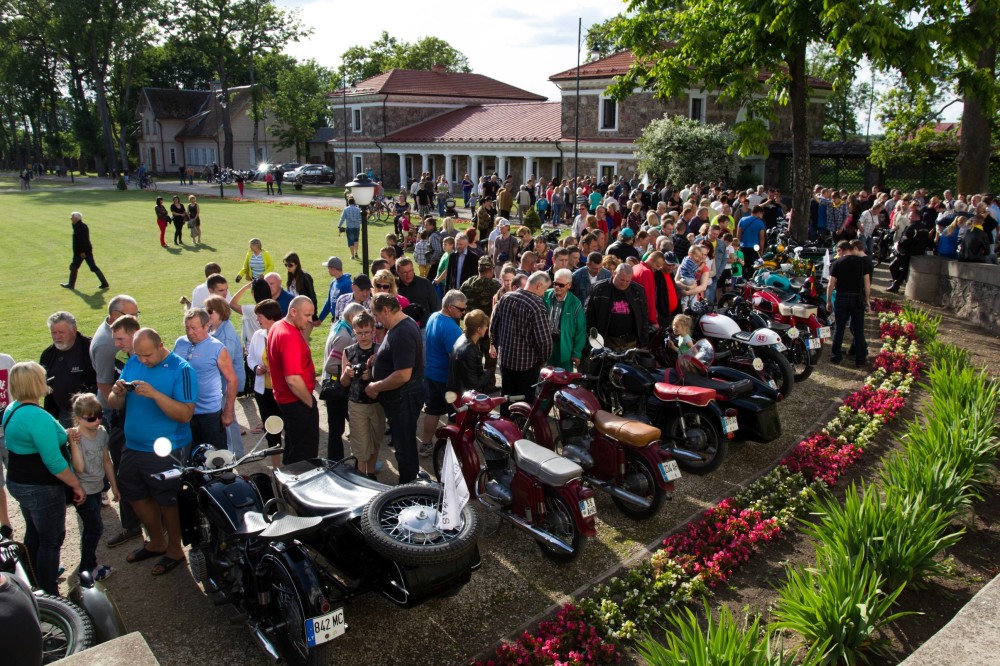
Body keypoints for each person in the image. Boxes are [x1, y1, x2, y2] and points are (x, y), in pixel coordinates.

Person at [109, 328, 196, 576]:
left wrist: (155, 394)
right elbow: (115, 404)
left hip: (167, 448)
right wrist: (117, 394)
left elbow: (186, 413)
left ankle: (175, 549)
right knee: (134, 494)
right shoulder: (134, 361)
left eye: (147, 355)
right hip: (133, 445)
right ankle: (157, 541)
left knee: (168, 499)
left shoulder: (182, 370)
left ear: (160, 346)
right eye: (138, 355)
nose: (143, 361)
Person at [3, 362, 86, 594]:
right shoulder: (36, 416)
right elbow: (54, 462)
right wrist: (75, 484)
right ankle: (50, 592)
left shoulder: (13, 409)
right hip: (41, 487)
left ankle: (33, 578)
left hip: (20, 482)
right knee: (51, 539)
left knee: (34, 531)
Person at [365, 294, 424, 484]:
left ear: (387, 310)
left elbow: (403, 375)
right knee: (403, 442)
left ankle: (408, 487)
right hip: (402, 397)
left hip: (403, 398)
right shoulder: (399, 326)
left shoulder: (402, 332)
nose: (377, 320)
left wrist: (376, 386)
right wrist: (380, 357)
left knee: (404, 445)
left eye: (377, 315)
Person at [67, 393, 118, 581]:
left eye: (99, 415)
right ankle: (86, 569)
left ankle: (91, 565)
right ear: (78, 418)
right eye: (91, 418)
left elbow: (106, 461)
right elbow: (79, 467)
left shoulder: (102, 433)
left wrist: (114, 485)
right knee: (95, 528)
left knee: (92, 528)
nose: (97, 420)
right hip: (83, 491)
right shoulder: (76, 436)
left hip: (97, 488)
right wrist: (73, 443)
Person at [173, 308, 237, 450]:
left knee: (216, 458)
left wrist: (228, 412)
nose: (190, 332)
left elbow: (232, 380)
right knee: (189, 458)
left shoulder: (218, 348)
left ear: (206, 326)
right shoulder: (180, 343)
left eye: (194, 328)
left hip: (209, 414)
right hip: (184, 413)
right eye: (187, 328)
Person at [489, 272, 553, 411]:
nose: (544, 293)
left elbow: (493, 326)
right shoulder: (537, 305)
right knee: (523, 403)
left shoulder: (505, 297)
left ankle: (505, 429)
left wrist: (498, 345)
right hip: (527, 365)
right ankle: (519, 430)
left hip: (505, 360)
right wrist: (543, 360)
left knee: (506, 397)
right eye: (544, 289)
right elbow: (544, 341)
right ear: (538, 285)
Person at [267, 296, 319, 463]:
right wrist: (310, 402)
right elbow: (293, 379)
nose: (310, 320)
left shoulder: (277, 326)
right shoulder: (289, 337)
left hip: (285, 400)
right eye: (306, 315)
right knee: (304, 456)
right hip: (296, 401)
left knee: (292, 445)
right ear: (293, 311)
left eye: (311, 315)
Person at [420, 290, 467, 455]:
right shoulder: (452, 329)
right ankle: (451, 449)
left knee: (432, 411)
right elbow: (456, 359)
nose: (463, 312)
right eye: (461, 309)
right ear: (449, 307)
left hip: (431, 374)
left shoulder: (433, 316)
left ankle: (426, 444)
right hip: (448, 381)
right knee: (455, 414)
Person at [340, 312, 384, 479]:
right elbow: (344, 384)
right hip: (356, 403)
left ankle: (371, 474)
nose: (363, 336)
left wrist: (371, 375)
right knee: (361, 443)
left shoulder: (379, 350)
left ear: (373, 331)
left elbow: (386, 378)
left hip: (376, 403)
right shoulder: (348, 351)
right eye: (359, 332)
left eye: (367, 332)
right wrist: (347, 373)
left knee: (375, 441)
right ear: (354, 332)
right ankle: (360, 476)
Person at [204, 296, 246, 456]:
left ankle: (236, 453)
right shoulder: (215, 328)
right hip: (221, 383)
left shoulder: (226, 334)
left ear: (220, 312)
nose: (206, 314)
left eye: (209, 311)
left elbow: (226, 364)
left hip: (227, 383)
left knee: (228, 417)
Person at [323, 303, 365, 460]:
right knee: (338, 429)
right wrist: (351, 371)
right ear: (352, 317)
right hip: (338, 389)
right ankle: (336, 463)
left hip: (336, 387)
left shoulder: (339, 326)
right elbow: (331, 366)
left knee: (348, 425)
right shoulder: (345, 336)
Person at [40, 311, 96, 428]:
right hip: (64, 414)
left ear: (74, 330)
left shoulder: (90, 349)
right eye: (53, 332)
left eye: (61, 332)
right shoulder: (47, 355)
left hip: (91, 411)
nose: (57, 336)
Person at [246, 300, 283, 466]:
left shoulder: (283, 333)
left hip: (282, 391)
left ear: (269, 316)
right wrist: (256, 367)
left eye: (259, 316)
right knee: (271, 428)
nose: (257, 320)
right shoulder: (258, 335)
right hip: (264, 391)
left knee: (287, 425)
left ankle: (291, 462)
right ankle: (276, 465)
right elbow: (250, 357)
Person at [586, 263, 649, 351]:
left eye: (628, 281)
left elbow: (643, 316)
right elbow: (589, 316)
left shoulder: (637, 291)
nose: (624, 283)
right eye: (622, 280)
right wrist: (594, 339)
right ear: (614, 273)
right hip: (606, 340)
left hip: (630, 342)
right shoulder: (599, 289)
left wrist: (644, 341)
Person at [827, 241, 870, 366]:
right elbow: (867, 282)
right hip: (857, 298)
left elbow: (831, 284)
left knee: (839, 329)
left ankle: (836, 356)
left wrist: (829, 301)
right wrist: (867, 299)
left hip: (842, 297)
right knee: (858, 330)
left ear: (841, 250)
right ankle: (860, 359)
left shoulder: (837, 263)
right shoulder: (862, 262)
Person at [544, 269, 586, 370]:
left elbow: (581, 330)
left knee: (563, 379)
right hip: (545, 344)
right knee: (543, 379)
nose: (557, 287)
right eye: (555, 283)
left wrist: (576, 353)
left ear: (569, 285)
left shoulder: (575, 303)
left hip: (564, 347)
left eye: (561, 285)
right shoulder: (544, 296)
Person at [61, 211, 109, 290]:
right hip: (86, 251)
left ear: (76, 218)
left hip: (81, 252)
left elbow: (83, 240)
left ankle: (71, 285)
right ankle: (104, 283)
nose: (70, 219)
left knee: (73, 267)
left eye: (72, 218)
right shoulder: (80, 225)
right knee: (92, 267)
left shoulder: (79, 227)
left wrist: (83, 252)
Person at [448, 309, 492, 396]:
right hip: (463, 397)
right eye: (486, 325)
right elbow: (473, 384)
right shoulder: (469, 350)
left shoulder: (464, 337)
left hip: (458, 391)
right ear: (479, 329)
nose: (487, 328)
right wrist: (487, 373)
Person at [397, 257, 441, 329]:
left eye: (410, 271)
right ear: (398, 272)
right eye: (404, 273)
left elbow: (436, 306)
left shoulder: (425, 283)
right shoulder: (394, 286)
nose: (408, 275)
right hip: (401, 328)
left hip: (423, 328)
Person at [317, 256, 353, 327]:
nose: (328, 270)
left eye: (328, 268)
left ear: (333, 269)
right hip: (335, 321)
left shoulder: (347, 284)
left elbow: (350, 305)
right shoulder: (333, 283)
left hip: (344, 323)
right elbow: (328, 303)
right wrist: (320, 319)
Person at [283, 252, 319, 318]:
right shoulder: (291, 277)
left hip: (304, 312)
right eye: (286, 265)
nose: (288, 267)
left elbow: (312, 296)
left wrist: (314, 316)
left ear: (296, 264)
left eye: (290, 265)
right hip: (294, 312)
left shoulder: (305, 276)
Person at [736, 205, 767, 270]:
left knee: (742, 266)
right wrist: (761, 250)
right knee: (753, 267)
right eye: (761, 214)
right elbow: (762, 238)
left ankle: (742, 279)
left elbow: (738, 235)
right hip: (754, 248)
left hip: (742, 247)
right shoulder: (760, 223)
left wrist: (737, 247)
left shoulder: (742, 220)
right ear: (759, 213)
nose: (762, 215)